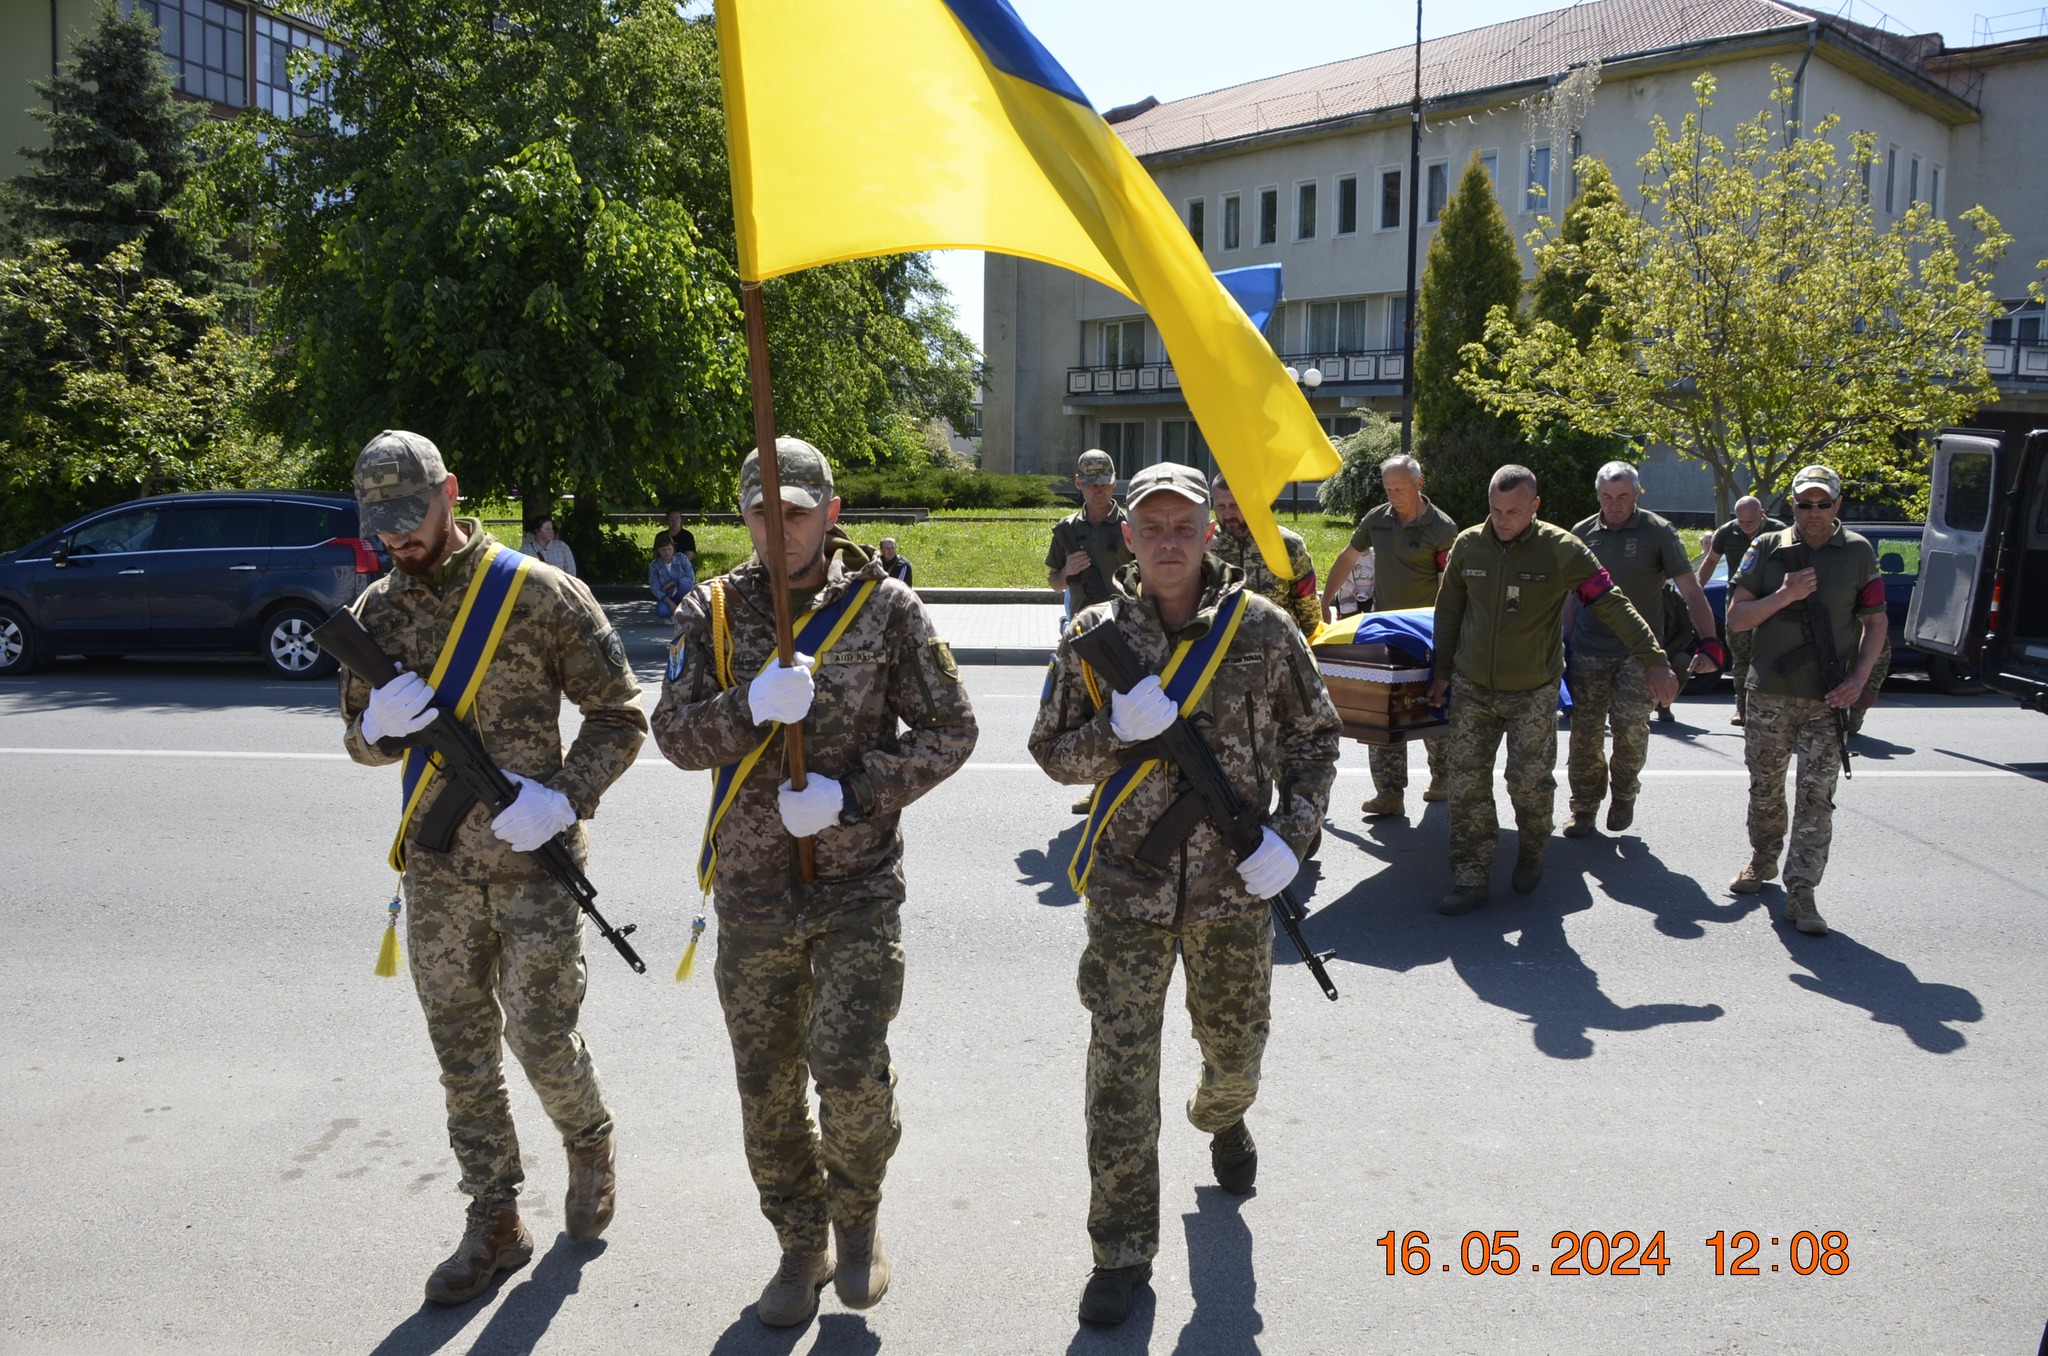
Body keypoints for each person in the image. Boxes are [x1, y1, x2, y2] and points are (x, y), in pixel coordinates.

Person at [651, 438, 978, 1327]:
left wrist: (854, 792)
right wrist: (747, 704)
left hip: (857, 888)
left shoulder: (886, 610)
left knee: (850, 1071)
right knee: (765, 1087)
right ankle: (800, 1243)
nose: (777, 527)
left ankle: (859, 1220)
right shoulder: (711, 613)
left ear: (830, 513)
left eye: (795, 510)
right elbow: (673, 737)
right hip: (752, 892)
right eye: (760, 510)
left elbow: (953, 731)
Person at [337, 430, 647, 1304]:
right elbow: (358, 742)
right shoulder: (375, 616)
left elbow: (620, 716)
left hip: (534, 866)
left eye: (411, 518)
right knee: (462, 1054)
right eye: (382, 525)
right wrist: (376, 732)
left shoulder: (539, 593)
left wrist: (567, 797)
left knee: (542, 1038)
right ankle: (494, 1220)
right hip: (434, 876)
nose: (399, 539)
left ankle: (589, 1141)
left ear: (451, 494)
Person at [1029, 462, 1340, 1326]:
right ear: (1127, 536)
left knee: (1236, 1053)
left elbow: (1317, 741)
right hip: (1126, 891)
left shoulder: (1264, 630)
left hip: (1235, 894)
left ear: (1213, 532)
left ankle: (1223, 1116)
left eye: (1184, 526)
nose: (1169, 542)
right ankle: (1121, 1253)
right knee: (1121, 1079)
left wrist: (1294, 835)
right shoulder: (1094, 634)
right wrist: (1109, 733)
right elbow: (1053, 754)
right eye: (1152, 527)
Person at [1430, 465, 1679, 916]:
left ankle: (1531, 849)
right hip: (1473, 688)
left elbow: (1613, 604)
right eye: (1495, 510)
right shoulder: (1469, 545)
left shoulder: (1563, 550)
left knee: (1527, 784)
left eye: (1514, 511)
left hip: (1532, 691)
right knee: (1466, 786)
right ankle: (1471, 876)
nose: (1503, 519)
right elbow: (1448, 611)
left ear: (1535, 506)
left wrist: (1654, 659)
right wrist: (1441, 671)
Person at [1724, 465, 1886, 936]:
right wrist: (1784, 594)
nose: (1812, 513)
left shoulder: (1858, 552)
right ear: (1790, 505)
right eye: (1803, 504)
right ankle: (1762, 859)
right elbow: (1736, 618)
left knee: (1817, 798)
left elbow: (1875, 623)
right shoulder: (1767, 548)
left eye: (1822, 503)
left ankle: (1803, 891)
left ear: (1838, 504)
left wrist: (1858, 679)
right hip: (1770, 694)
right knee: (1765, 789)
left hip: (1827, 699)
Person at [1561, 462, 1723, 836]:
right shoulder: (1583, 532)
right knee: (1584, 735)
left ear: (1636, 495)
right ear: (1597, 496)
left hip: (1640, 652)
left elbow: (1691, 589)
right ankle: (1583, 809)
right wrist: (1565, 646)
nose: (1614, 505)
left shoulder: (1658, 532)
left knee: (1629, 730)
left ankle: (1624, 795)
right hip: (1590, 649)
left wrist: (1709, 641)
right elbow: (1571, 596)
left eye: (1622, 497)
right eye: (1606, 497)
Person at [1320, 454, 1460, 819]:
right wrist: (1326, 598)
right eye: (1389, 489)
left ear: (1419, 484)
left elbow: (1448, 584)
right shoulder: (1377, 520)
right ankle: (1389, 792)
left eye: (1400, 488)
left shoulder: (1442, 528)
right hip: (1385, 630)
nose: (1394, 495)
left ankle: (1443, 777)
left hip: (1426, 633)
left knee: (1433, 704)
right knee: (1380, 710)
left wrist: (1445, 632)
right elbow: (1350, 556)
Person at [1697, 495, 1787, 726]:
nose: (1745, 526)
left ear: (1762, 513)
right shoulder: (1727, 532)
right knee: (1740, 657)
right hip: (1739, 601)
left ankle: (1774, 709)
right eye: (1741, 521)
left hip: (1770, 601)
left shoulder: (1780, 532)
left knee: (1773, 654)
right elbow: (1710, 561)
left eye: (1750, 521)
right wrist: (1696, 590)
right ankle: (1741, 708)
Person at [1206, 474, 1321, 634]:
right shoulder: (1205, 547)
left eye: (1235, 505)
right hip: (1223, 650)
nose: (1227, 515)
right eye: (1220, 506)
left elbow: (1307, 603)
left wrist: (1312, 641)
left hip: (1278, 647)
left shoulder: (1287, 544)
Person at [1046, 449, 1132, 614]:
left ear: (1114, 481)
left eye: (1105, 483)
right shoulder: (1068, 527)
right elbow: (1055, 583)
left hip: (1124, 625)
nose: (1099, 489)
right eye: (1093, 484)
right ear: (1078, 483)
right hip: (1080, 627)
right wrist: (1067, 572)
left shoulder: (1130, 526)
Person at [648, 531, 696, 620]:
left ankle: (686, 608)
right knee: (661, 611)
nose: (667, 553)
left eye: (669, 549)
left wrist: (673, 582)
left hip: (682, 591)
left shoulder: (681, 558)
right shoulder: (655, 565)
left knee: (684, 583)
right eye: (663, 550)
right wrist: (670, 603)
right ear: (658, 551)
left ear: (673, 548)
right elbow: (655, 589)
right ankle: (675, 612)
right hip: (669, 596)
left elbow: (691, 578)